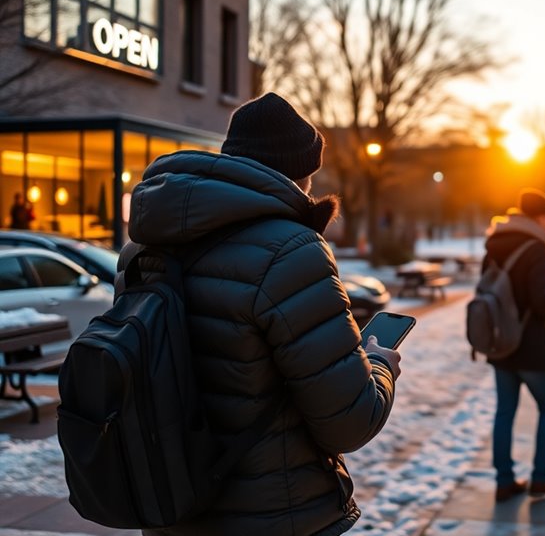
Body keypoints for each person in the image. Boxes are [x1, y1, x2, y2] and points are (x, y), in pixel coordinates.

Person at [122, 92, 400, 536]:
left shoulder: (144, 247)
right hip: (275, 514)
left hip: (170, 504)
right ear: (302, 174)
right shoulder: (292, 251)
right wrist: (381, 365)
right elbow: (350, 419)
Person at [483, 189, 545, 503]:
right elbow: (541, 303)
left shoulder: (494, 242)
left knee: (505, 412)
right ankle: (540, 478)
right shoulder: (537, 248)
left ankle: (504, 481)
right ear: (541, 218)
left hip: (501, 342)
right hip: (529, 346)